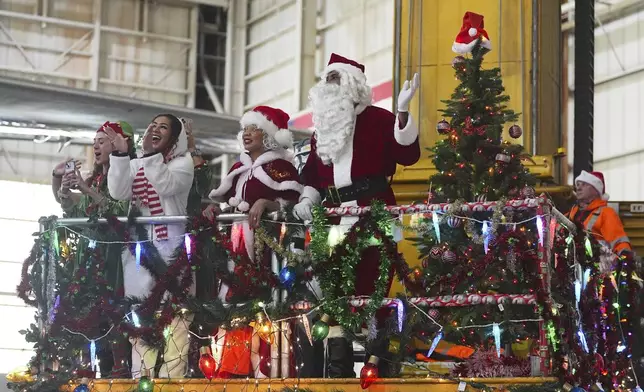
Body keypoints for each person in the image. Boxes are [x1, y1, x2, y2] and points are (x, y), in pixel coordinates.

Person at [292, 53, 420, 377]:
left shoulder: (378, 119)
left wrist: (402, 115)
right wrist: (308, 197)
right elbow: (312, 174)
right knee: (335, 294)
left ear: (354, 85)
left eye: (338, 79)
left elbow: (409, 153)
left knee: (374, 289)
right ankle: (339, 369)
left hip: (373, 209)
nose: (331, 86)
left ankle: (379, 365)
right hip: (333, 217)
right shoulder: (321, 130)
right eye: (328, 80)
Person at [206, 105, 303, 378]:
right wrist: (216, 209)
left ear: (269, 135)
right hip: (236, 247)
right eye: (245, 128)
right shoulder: (239, 167)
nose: (246, 133)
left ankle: (266, 369)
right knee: (234, 303)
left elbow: (292, 203)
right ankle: (235, 367)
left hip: (267, 249)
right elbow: (227, 200)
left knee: (263, 305)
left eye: (254, 128)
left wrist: (269, 202)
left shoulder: (281, 167)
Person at [105, 114, 195, 378]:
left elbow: (165, 185)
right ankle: (141, 379)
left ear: (174, 138)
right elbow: (118, 192)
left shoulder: (183, 163)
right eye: (153, 125)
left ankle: (171, 381)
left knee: (176, 321)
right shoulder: (140, 161)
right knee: (141, 319)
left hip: (173, 252)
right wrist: (122, 157)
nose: (154, 129)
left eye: (163, 127)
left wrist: (150, 155)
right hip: (140, 254)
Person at [51, 121, 136, 377]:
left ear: (119, 143)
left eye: (102, 140)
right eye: (94, 141)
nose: (96, 146)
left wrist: (86, 189)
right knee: (89, 312)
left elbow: (119, 212)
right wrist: (60, 183)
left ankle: (121, 369)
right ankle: (95, 367)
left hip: (116, 256)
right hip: (90, 256)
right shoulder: (96, 177)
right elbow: (72, 207)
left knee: (116, 310)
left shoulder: (128, 173)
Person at [568, 170, 632, 257]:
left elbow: (618, 241)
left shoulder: (606, 213)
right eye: (578, 184)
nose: (578, 188)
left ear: (596, 190)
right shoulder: (572, 212)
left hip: (598, 267)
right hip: (572, 265)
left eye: (584, 184)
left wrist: (626, 259)